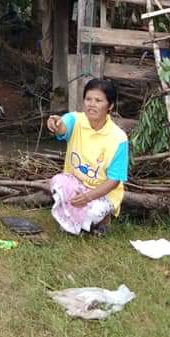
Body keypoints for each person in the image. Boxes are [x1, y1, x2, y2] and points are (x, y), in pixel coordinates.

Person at [47, 78, 129, 236]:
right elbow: (63, 127)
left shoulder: (119, 138)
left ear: (110, 106)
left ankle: (102, 219)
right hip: (77, 184)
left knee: (94, 212)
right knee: (56, 182)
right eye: (88, 99)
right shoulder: (75, 120)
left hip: (103, 193)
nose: (92, 104)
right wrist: (56, 125)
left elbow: (114, 181)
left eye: (98, 100)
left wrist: (88, 197)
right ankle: (78, 220)